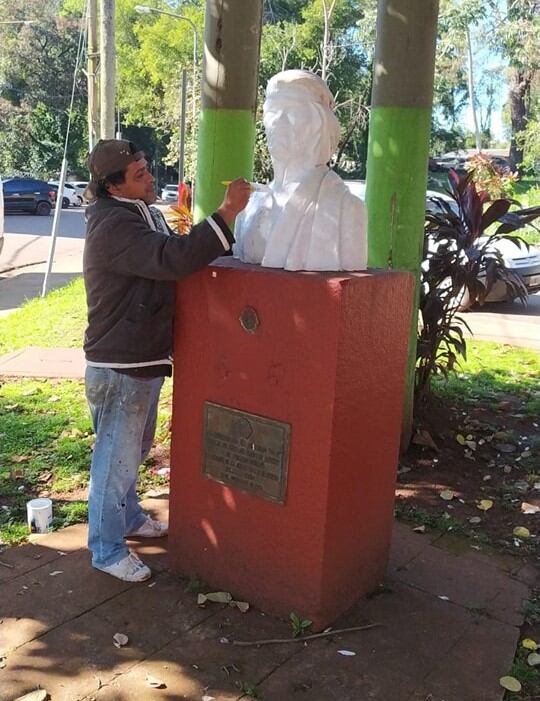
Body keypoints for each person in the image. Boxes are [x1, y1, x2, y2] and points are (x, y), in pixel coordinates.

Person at [83, 139, 251, 582]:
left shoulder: (139, 212)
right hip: (121, 362)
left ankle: (131, 516)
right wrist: (226, 213)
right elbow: (170, 258)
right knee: (114, 461)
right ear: (114, 186)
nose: (150, 177)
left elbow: (173, 251)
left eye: (146, 169)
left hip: (141, 357)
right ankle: (105, 548)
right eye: (139, 175)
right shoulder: (112, 225)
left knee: (132, 450)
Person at [234, 69, 367, 271]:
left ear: (319, 122)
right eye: (272, 111)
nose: (278, 120)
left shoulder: (346, 209)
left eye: (291, 110)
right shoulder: (250, 205)